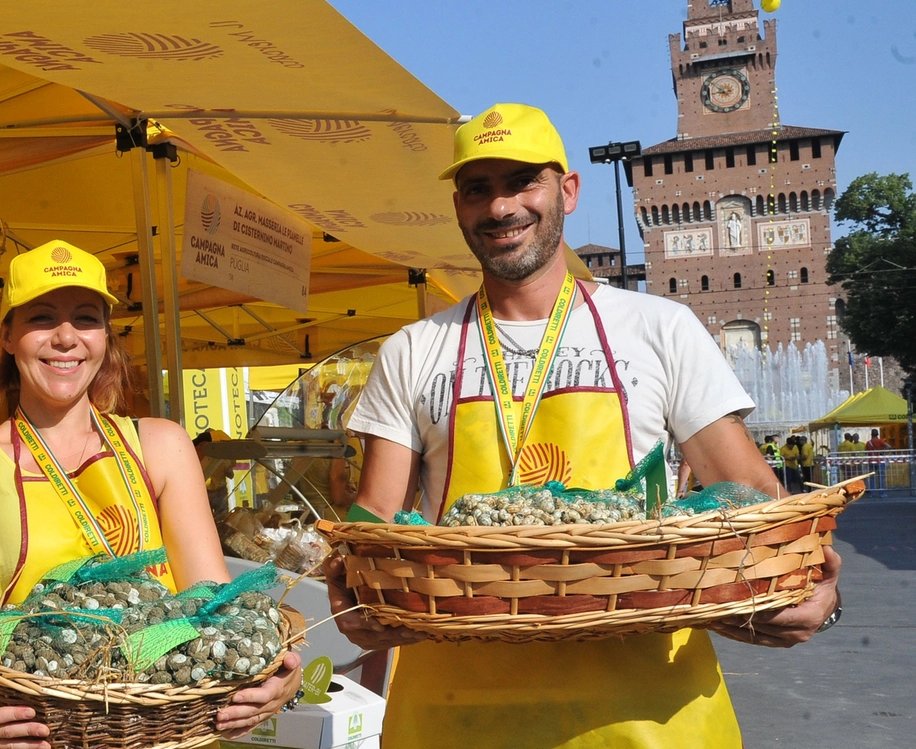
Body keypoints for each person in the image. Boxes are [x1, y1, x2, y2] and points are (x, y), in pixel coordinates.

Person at [325, 103, 842, 749]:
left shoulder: (658, 327)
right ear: (457, 205)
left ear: (566, 190)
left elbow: (752, 498)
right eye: (477, 188)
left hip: (649, 715)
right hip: (459, 713)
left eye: (521, 181)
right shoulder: (413, 348)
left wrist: (814, 586)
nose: (500, 206)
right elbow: (377, 511)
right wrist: (355, 584)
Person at [0, 240, 302, 749]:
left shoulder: (161, 446)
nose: (66, 338)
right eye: (43, 318)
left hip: (159, 729)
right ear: (8, 335)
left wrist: (279, 677)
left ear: (106, 336)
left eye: (86, 318)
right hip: (29, 731)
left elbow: (215, 602)